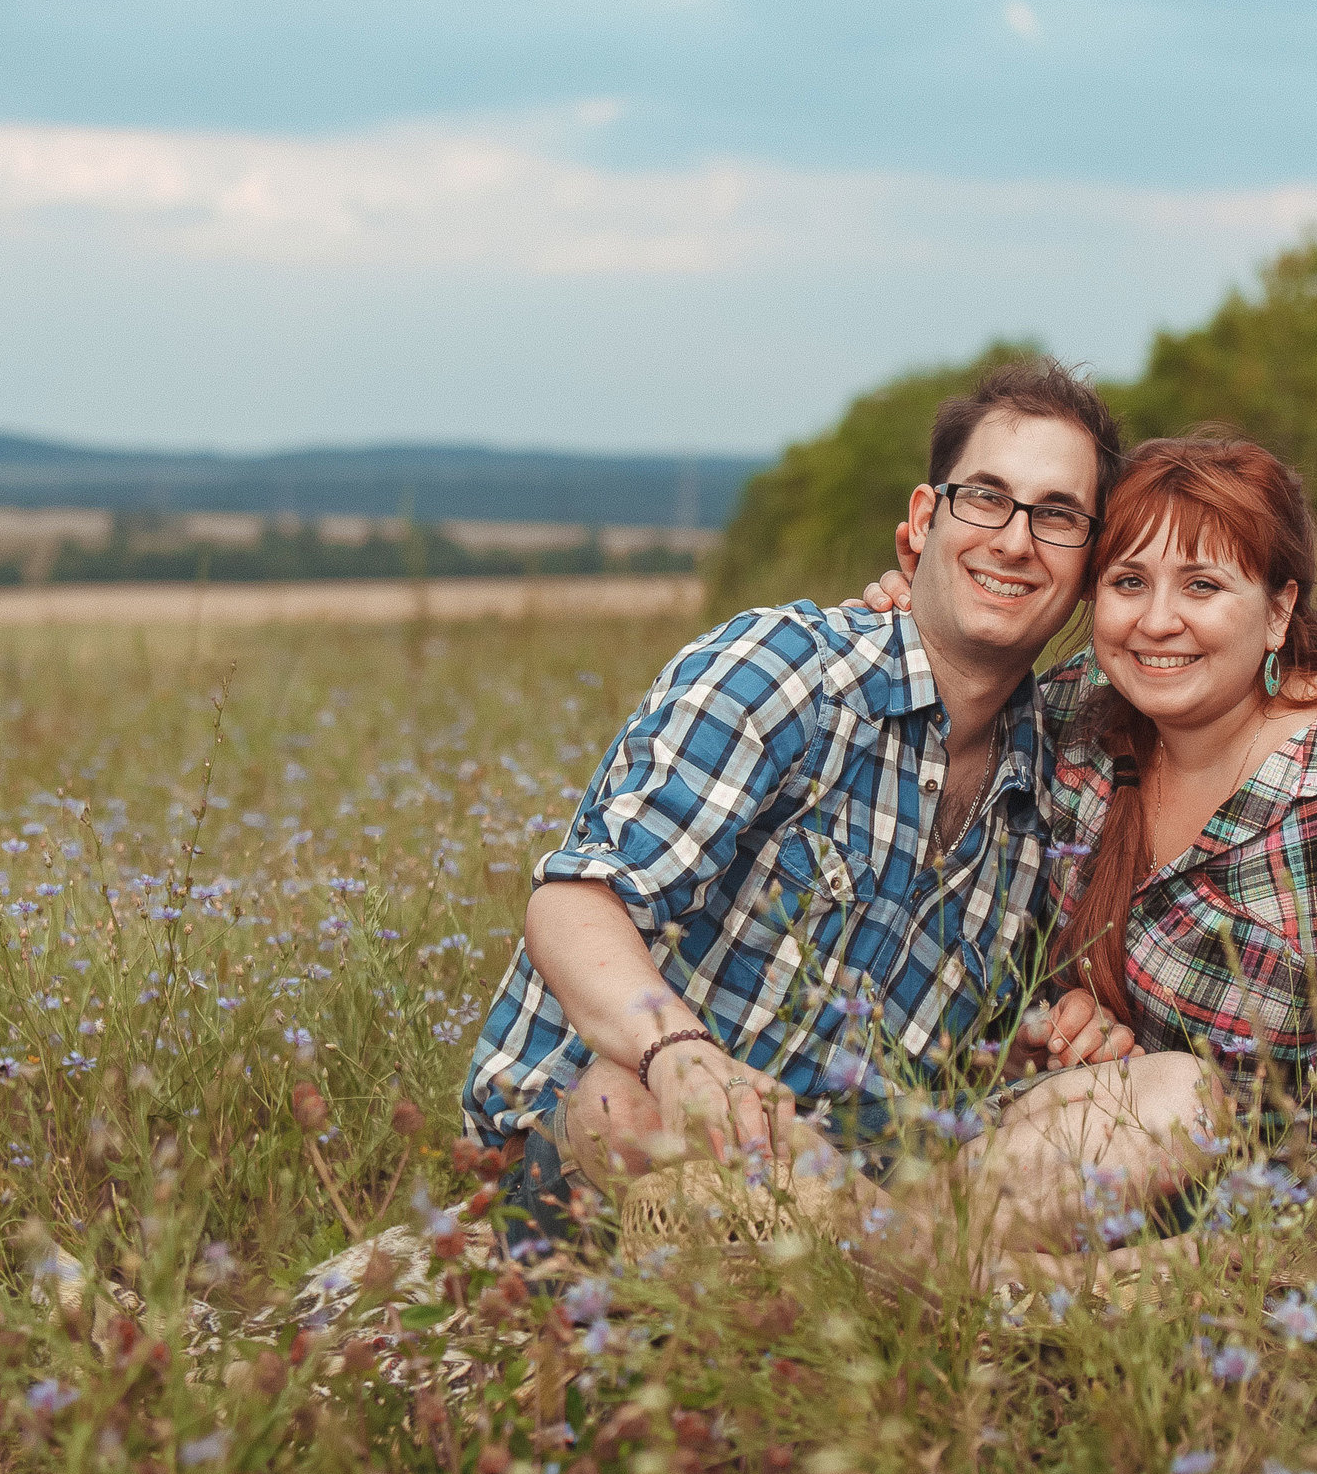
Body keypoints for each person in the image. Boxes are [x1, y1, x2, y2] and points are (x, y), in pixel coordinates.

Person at [459, 358, 1211, 1255]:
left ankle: (888, 1267)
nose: (1015, 541)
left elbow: (958, 1056)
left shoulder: (1045, 776)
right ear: (924, 523)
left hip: (860, 1176)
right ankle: (958, 1287)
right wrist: (680, 1051)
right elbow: (575, 899)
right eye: (985, 498)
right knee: (626, 1101)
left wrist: (1052, 1033)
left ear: (1086, 567)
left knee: (1178, 1096)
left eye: (1056, 516)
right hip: (630, 1136)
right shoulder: (788, 671)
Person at [856, 432, 1317, 1239]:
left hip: (1270, 1239)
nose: (1157, 622)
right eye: (1129, 581)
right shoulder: (1078, 717)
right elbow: (952, 685)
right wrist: (913, 606)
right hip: (1049, 1151)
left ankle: (901, 1258)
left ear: (1280, 609)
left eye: (1203, 585)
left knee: (1186, 1098)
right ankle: (899, 1247)